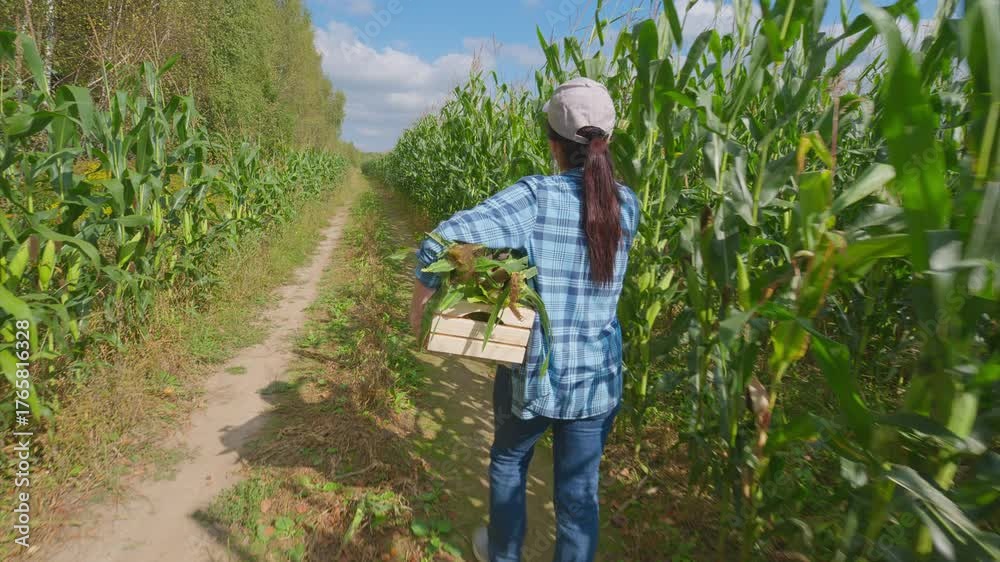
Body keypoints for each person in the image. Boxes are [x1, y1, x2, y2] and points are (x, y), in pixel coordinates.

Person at [409, 77, 640, 562]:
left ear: (553, 141)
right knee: (578, 498)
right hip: (597, 380)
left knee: (510, 461)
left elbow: (442, 239)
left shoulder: (536, 198)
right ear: (608, 139)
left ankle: (503, 552)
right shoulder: (628, 205)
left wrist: (421, 298)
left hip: (535, 376)